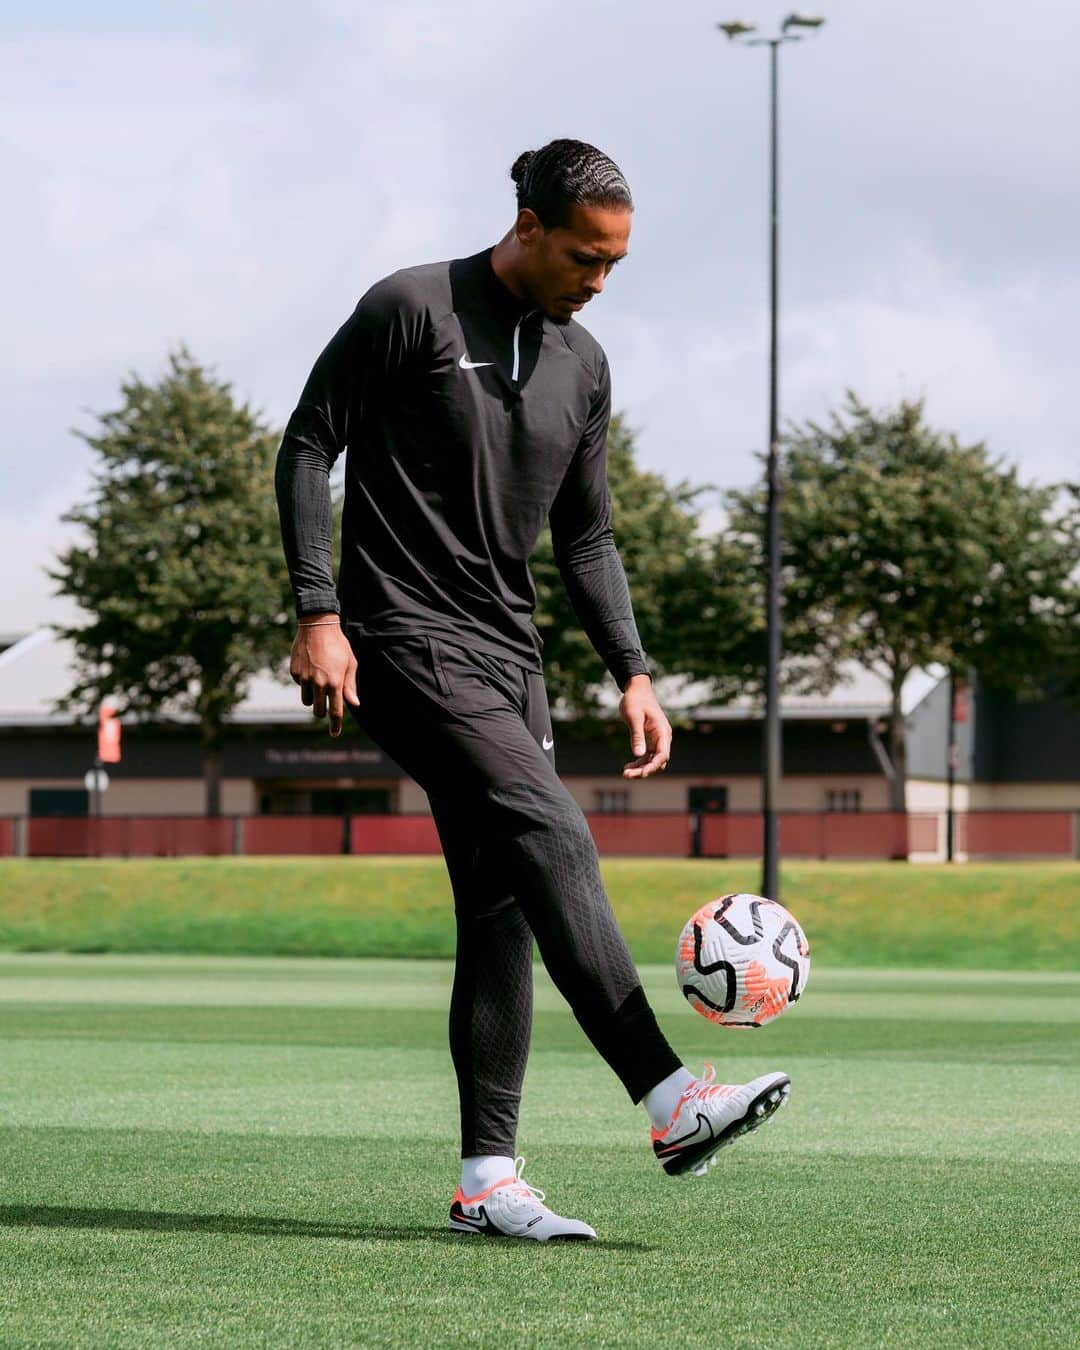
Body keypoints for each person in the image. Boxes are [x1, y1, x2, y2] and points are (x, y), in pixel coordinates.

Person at [275, 138, 790, 1242]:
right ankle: (670, 1100)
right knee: (557, 836)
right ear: (527, 226)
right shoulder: (410, 308)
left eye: (614, 263)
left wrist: (633, 668)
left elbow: (587, 533)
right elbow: (309, 445)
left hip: (514, 661)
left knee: (504, 911)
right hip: (399, 640)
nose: (598, 280)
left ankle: (485, 1183)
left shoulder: (585, 363)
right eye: (584, 256)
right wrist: (319, 611)